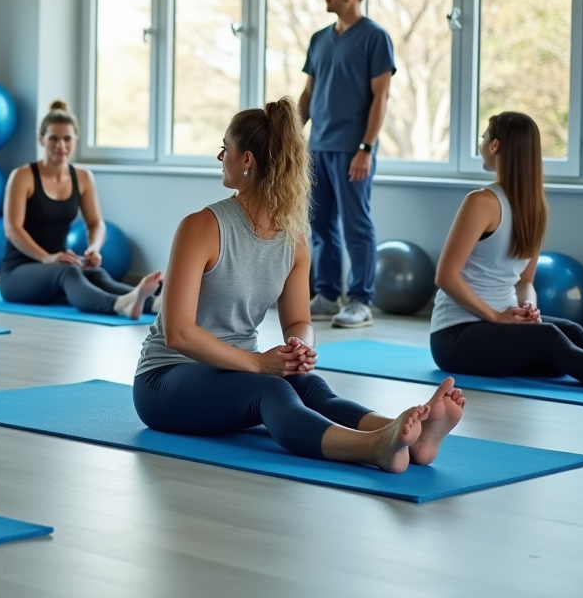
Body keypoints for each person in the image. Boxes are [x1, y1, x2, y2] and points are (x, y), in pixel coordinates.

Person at [134, 98, 465, 471]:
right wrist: (259, 363)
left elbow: (298, 322)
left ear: (247, 160)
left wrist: (299, 349)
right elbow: (178, 333)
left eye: (225, 148)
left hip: (235, 372)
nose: (219, 157)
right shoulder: (201, 227)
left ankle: (412, 437)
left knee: (308, 386)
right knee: (272, 389)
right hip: (163, 382)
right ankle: (374, 446)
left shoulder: (294, 239)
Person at [432, 112, 583, 385]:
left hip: (501, 325)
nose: (481, 145)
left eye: (483, 138)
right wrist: (496, 316)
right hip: (455, 336)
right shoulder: (483, 201)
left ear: (495, 145)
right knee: (550, 338)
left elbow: (526, 281)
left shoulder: (529, 209)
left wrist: (529, 306)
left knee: (572, 331)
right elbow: (446, 277)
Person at [299, 0, 396, 328]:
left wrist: (366, 148)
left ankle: (360, 300)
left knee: (356, 225)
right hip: (317, 147)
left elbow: (381, 97)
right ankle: (325, 295)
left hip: (353, 148)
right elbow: (309, 93)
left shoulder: (375, 37)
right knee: (320, 224)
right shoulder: (319, 39)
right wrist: (290, 135)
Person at [0, 100, 162, 319]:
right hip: (19, 273)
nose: (61, 145)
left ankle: (153, 305)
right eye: (53, 138)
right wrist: (46, 257)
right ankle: (118, 304)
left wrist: (94, 248)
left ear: (75, 140)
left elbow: (96, 223)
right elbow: (13, 229)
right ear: (41, 139)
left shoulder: (83, 178)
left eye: (67, 138)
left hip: (60, 263)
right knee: (68, 272)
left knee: (97, 274)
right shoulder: (23, 176)